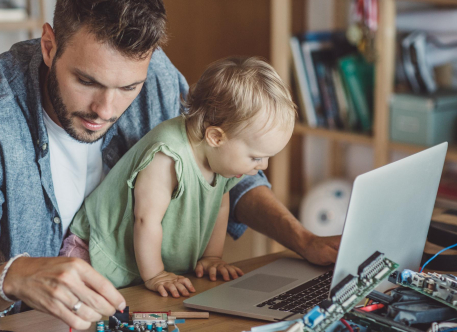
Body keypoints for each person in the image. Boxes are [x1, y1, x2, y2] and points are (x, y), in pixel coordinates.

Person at [0, 0, 340, 332]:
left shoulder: (157, 76)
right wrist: (13, 277)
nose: (105, 108)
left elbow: (227, 170)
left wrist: (303, 240)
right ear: (49, 46)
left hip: (131, 322)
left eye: (127, 87)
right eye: (87, 81)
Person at [62, 57, 295, 298]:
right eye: (256, 157)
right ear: (216, 137)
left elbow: (221, 205)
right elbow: (146, 220)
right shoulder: (168, 156)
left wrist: (211, 257)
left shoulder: (224, 162)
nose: (262, 166)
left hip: (136, 262)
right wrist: (155, 275)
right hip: (95, 254)